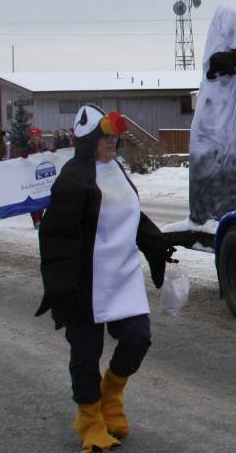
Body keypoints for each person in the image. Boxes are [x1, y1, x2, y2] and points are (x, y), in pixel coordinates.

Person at [35, 105, 173, 453]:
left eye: (114, 138)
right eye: (104, 138)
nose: (112, 143)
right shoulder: (73, 178)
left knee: (138, 338)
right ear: (88, 142)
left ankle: (111, 394)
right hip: (85, 283)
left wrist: (157, 245)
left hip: (122, 277)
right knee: (86, 354)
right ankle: (91, 420)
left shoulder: (117, 171)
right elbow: (56, 236)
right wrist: (61, 285)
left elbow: (132, 216)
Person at [25, 128, 48, 228]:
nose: (35, 138)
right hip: (31, 176)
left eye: (36, 136)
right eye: (33, 136)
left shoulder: (43, 147)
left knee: (42, 198)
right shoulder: (28, 147)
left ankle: (40, 218)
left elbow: (49, 156)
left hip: (41, 176)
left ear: (40, 137)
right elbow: (22, 155)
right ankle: (36, 220)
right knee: (33, 199)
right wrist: (23, 155)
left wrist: (53, 153)